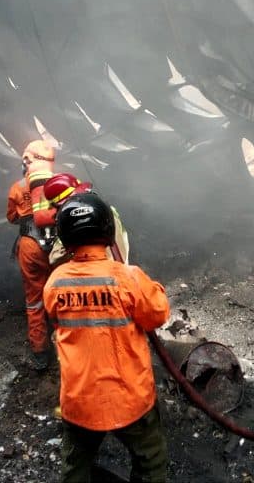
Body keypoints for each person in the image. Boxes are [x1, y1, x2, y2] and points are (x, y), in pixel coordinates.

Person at [43, 193, 170, 483]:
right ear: (107, 231)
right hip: (130, 399)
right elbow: (158, 314)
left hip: (79, 401)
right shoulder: (128, 277)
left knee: (75, 467)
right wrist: (154, 288)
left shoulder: (56, 281)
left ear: (65, 237)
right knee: (151, 463)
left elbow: (55, 317)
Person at [6, 139, 57, 371]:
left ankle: (39, 352)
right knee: (60, 293)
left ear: (27, 160)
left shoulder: (17, 186)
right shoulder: (59, 182)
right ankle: (66, 344)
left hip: (29, 246)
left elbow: (11, 217)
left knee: (34, 300)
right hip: (58, 246)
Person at [43, 172, 129, 266]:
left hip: (89, 274)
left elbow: (54, 259)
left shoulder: (74, 220)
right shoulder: (105, 209)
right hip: (120, 268)